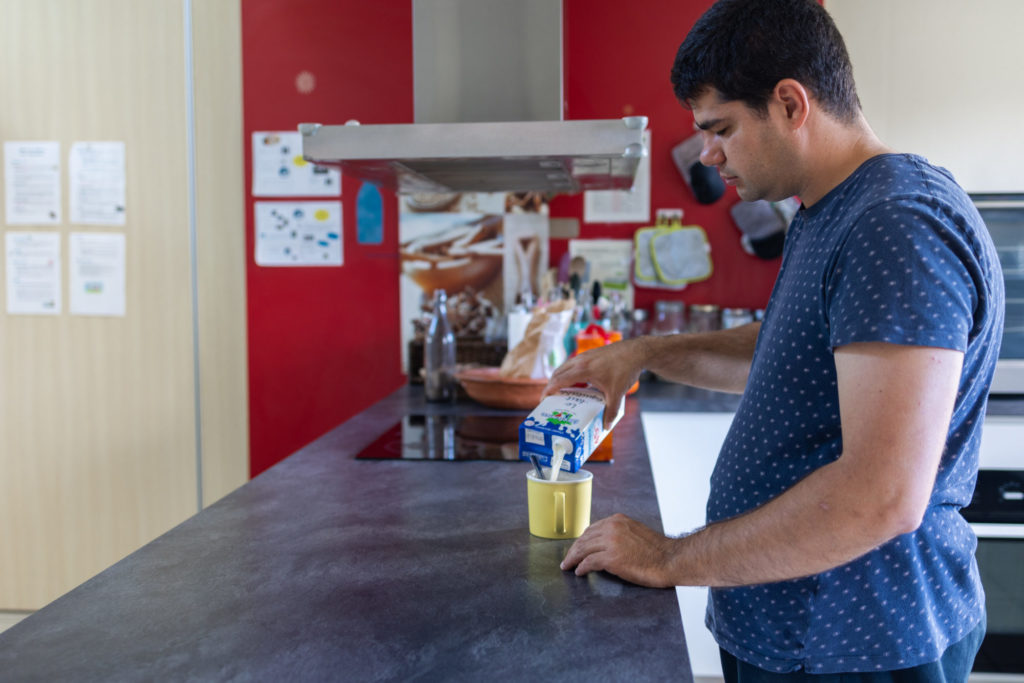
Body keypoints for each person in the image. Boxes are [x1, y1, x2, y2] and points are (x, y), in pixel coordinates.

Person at [545, 0, 1003, 680]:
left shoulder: (895, 223)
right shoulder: (832, 209)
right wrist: (640, 353)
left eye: (721, 128)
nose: (707, 153)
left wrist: (668, 556)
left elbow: (881, 494)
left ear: (791, 103)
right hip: (800, 630)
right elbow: (789, 357)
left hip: (859, 643)